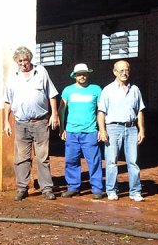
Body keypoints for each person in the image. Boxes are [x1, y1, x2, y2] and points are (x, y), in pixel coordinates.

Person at [3, 46, 60, 201]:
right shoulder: (12, 78)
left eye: (25, 60)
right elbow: (7, 101)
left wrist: (54, 114)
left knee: (43, 157)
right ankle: (22, 188)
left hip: (40, 122)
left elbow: (51, 95)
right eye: (20, 61)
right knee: (21, 158)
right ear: (17, 62)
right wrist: (6, 122)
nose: (23, 63)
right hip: (21, 123)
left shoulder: (41, 72)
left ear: (30, 59)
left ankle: (46, 189)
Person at [98, 60, 146, 201]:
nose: (124, 73)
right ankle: (111, 190)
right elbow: (101, 112)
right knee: (111, 161)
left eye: (127, 70)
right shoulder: (108, 90)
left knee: (133, 161)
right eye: (121, 71)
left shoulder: (135, 90)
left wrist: (141, 130)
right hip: (113, 128)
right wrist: (102, 130)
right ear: (115, 72)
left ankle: (135, 191)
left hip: (131, 128)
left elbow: (139, 111)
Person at [58, 63, 104, 200]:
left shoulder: (96, 89)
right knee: (71, 161)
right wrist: (62, 129)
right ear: (74, 76)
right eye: (79, 74)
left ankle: (97, 189)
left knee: (94, 161)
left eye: (84, 74)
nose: (82, 76)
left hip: (90, 131)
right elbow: (61, 110)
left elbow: (101, 110)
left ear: (88, 74)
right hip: (71, 132)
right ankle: (73, 187)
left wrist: (101, 129)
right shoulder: (68, 90)